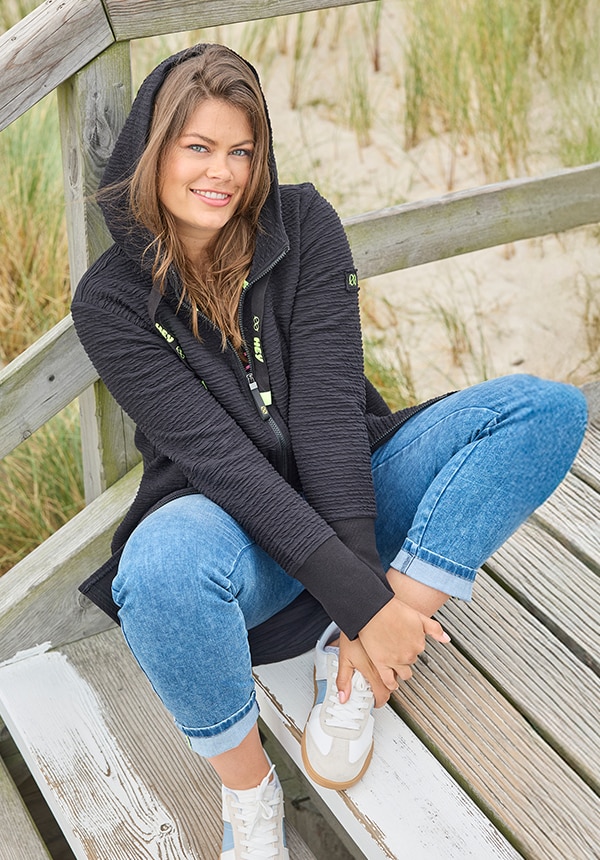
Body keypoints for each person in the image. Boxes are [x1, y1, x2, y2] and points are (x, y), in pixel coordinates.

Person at [71, 43, 587, 860]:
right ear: (153, 151)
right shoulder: (109, 300)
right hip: (236, 533)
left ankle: (358, 666)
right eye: (198, 147)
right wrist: (362, 597)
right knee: (158, 568)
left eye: (242, 150)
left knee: (543, 409)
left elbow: (329, 418)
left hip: (357, 503)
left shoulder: (302, 223)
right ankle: (252, 798)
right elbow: (228, 467)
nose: (224, 173)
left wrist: (371, 614)